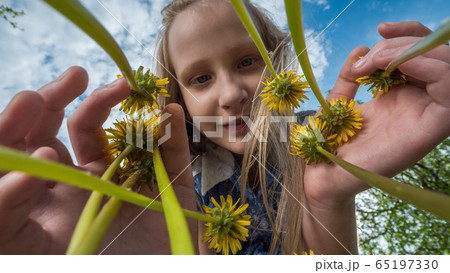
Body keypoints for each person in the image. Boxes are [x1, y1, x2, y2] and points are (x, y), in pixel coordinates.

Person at [0, 0, 448, 254]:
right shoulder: (165, 184)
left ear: (278, 65)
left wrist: (327, 195)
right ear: (178, 102)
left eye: (247, 61)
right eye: (201, 78)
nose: (232, 92)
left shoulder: (319, 137)